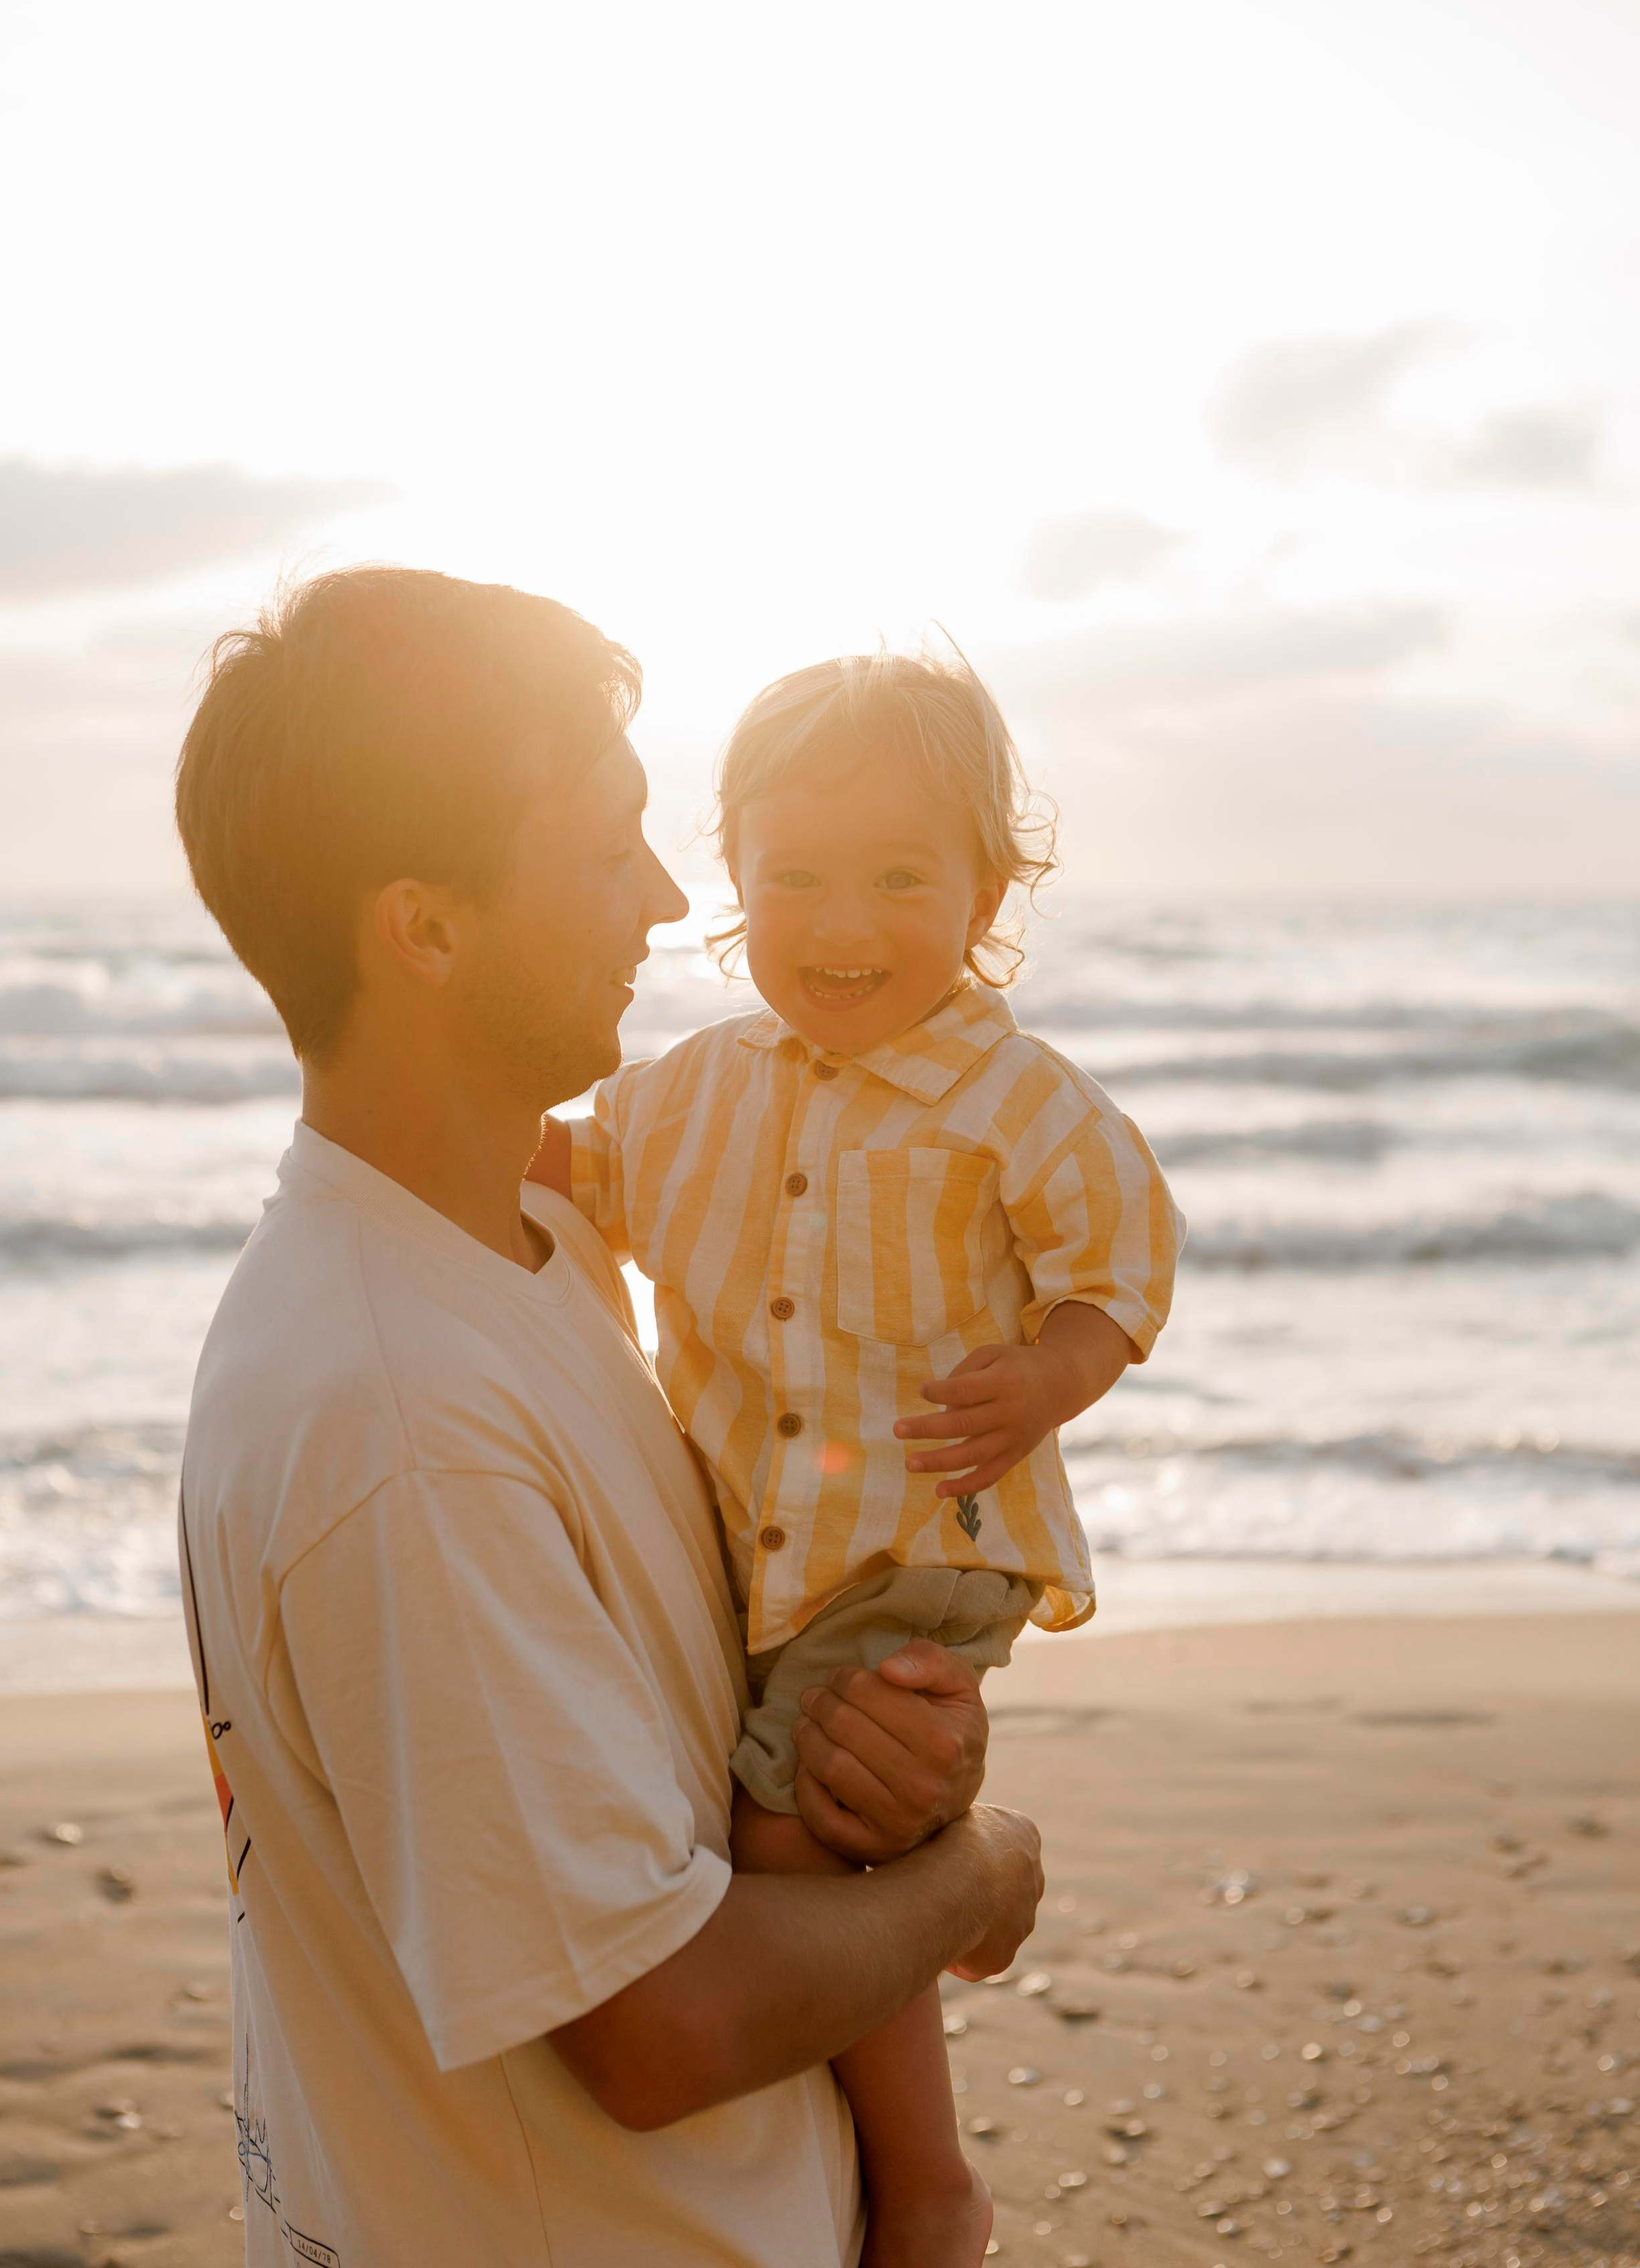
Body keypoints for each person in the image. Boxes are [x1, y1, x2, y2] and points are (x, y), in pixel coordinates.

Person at [172, 569, 1044, 2268]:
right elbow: (653, 2025)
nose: (663, 900)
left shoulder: (541, 1242)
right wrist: (975, 1880)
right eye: (609, 843)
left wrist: (883, 1748)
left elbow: (655, 1741)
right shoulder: (393, 1414)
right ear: (423, 926)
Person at [530, 649, 1183, 2266]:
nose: (839, 926)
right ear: (733, 883)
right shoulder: (687, 1094)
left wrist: (1050, 1371)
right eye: (794, 877)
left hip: (919, 1537)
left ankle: (925, 2182)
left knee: (800, 1827)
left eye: (899, 878)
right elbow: (574, 1169)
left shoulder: (1016, 1101)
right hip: (752, 1539)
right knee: (761, 1814)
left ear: (986, 890)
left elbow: (1121, 1263)